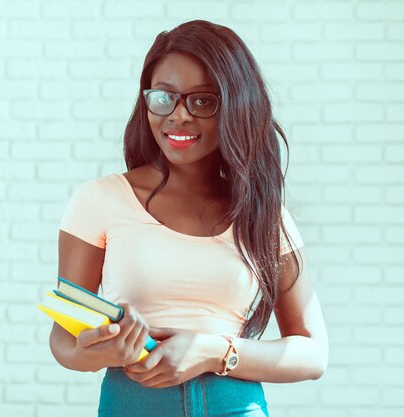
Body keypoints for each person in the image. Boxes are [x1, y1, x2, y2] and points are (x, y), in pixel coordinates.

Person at [49, 19, 328, 417]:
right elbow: (62, 341)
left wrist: (215, 351)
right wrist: (98, 350)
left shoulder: (264, 215)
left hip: (237, 407)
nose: (177, 116)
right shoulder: (100, 200)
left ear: (235, 105)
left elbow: (313, 352)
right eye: (163, 98)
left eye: (202, 101)